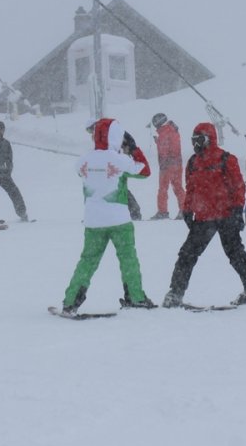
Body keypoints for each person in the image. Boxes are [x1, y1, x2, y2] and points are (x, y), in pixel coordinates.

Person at [162, 122, 246, 308]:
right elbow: (191, 188)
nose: (196, 145)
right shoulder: (193, 162)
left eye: (199, 140)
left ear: (209, 139)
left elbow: (238, 187)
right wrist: (187, 209)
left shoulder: (226, 159)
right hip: (204, 218)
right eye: (193, 141)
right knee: (187, 254)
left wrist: (238, 211)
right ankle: (175, 294)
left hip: (226, 215)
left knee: (235, 254)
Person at [61, 118, 155, 314]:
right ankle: (135, 297)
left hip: (93, 220)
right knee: (128, 259)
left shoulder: (83, 161)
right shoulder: (120, 160)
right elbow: (145, 171)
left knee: (88, 260)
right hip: (119, 219)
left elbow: (82, 171)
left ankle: (71, 301)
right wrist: (133, 149)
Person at [87, 119, 142, 220]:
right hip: (112, 160)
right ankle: (98, 213)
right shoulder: (101, 134)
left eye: (90, 130)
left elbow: (123, 144)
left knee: (117, 186)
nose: (90, 133)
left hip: (117, 160)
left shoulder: (107, 133)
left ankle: (134, 211)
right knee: (110, 186)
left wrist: (125, 155)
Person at [0, 121, 30, 222]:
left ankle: (22, 213)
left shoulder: (6, 143)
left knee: (13, 191)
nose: (0, 131)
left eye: (2, 129)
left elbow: (9, 160)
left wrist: (8, 171)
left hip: (1, 173)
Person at [149, 112, 186, 220]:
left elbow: (164, 149)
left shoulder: (164, 132)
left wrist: (163, 163)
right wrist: (158, 141)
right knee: (178, 187)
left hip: (167, 165)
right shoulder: (173, 130)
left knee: (163, 189)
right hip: (177, 163)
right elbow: (171, 145)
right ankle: (184, 210)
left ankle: (162, 212)